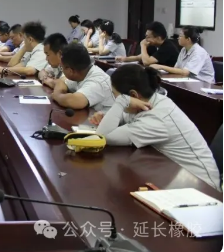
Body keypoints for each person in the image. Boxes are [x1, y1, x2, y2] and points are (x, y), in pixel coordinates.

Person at [92, 65, 220, 190]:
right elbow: (123, 118)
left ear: (133, 95)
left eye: (116, 96)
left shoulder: (158, 118)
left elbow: (103, 137)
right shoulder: (150, 100)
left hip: (202, 186)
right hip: (174, 175)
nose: (116, 99)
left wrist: (121, 102)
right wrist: (108, 115)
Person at [52, 43, 114, 112]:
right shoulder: (81, 73)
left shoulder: (97, 81)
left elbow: (74, 101)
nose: (62, 70)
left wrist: (56, 95)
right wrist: (60, 94)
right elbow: (61, 81)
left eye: (61, 67)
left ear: (70, 71)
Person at [149, 27, 215, 83]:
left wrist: (161, 67)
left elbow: (185, 72)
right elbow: (176, 68)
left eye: (180, 36)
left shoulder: (199, 52)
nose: (178, 38)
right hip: (189, 81)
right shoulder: (184, 49)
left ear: (188, 39)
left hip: (203, 83)